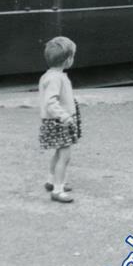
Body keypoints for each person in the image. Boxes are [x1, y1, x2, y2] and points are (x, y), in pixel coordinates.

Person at [39, 36, 81, 204]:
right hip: (59, 122)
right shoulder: (56, 78)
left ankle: (52, 181)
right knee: (65, 156)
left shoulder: (49, 75)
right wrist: (64, 116)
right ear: (67, 60)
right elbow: (50, 102)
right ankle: (58, 189)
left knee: (58, 153)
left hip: (54, 121)